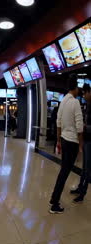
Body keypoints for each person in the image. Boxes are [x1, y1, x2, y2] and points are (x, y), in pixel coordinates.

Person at [49, 74, 83, 213]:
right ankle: (54, 203)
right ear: (75, 87)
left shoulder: (63, 101)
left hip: (63, 139)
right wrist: (80, 146)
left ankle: (54, 199)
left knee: (63, 171)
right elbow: (80, 127)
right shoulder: (75, 102)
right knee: (64, 172)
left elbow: (58, 123)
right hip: (72, 142)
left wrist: (58, 140)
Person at [70, 83, 91, 203]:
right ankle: (79, 188)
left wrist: (85, 127)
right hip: (87, 140)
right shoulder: (88, 105)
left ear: (90, 92)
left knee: (88, 169)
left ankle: (83, 193)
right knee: (84, 168)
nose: (83, 96)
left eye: (85, 93)